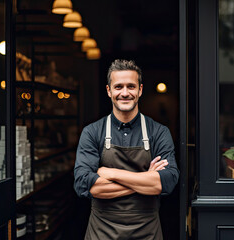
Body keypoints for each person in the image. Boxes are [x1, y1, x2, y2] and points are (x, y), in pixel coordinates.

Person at [74, 59, 179, 240]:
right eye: (118, 87)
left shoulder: (159, 132)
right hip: (102, 232)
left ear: (140, 90)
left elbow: (167, 181)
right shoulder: (92, 132)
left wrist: (109, 172)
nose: (125, 93)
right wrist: (146, 179)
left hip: (147, 232)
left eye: (131, 86)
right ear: (109, 91)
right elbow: (85, 184)